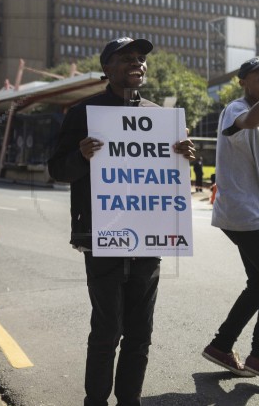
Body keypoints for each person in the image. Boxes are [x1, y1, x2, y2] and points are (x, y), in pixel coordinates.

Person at [48, 36, 196, 406]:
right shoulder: (83, 113)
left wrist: (182, 155)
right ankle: (95, 401)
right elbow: (57, 170)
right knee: (107, 329)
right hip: (102, 235)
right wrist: (81, 157)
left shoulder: (160, 117)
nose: (137, 63)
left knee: (140, 332)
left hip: (150, 236)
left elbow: (169, 178)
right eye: (127, 58)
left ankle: (129, 399)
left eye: (141, 58)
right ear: (106, 69)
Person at [202, 56, 259, 377]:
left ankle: (221, 346)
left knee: (258, 284)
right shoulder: (235, 110)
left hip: (253, 212)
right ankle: (254, 356)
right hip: (242, 213)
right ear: (242, 81)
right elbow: (248, 122)